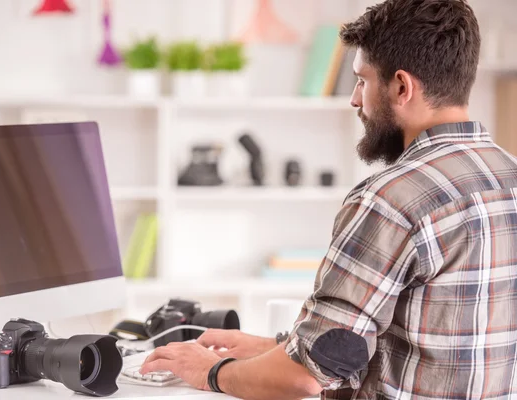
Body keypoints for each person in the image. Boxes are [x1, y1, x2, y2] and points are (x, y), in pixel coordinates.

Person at [142, 0, 517, 398]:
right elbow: (431, 346)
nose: (356, 99)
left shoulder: (391, 199)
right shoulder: (508, 178)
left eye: (363, 80)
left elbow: (305, 377)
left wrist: (210, 370)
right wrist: (277, 348)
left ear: (402, 87)